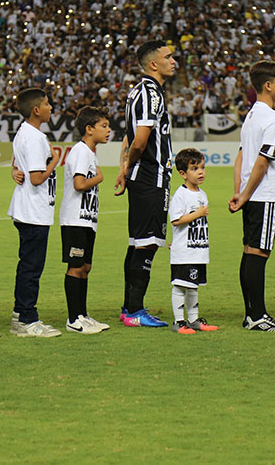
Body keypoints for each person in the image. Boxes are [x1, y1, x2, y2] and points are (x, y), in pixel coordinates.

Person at [113, 40, 176, 328]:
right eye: (168, 57)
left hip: (143, 175)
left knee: (137, 243)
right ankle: (135, 312)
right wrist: (129, 165)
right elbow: (139, 140)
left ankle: (130, 308)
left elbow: (128, 136)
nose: (173, 61)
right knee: (148, 243)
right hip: (152, 176)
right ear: (154, 64)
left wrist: (125, 167)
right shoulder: (151, 93)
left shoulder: (138, 91)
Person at [228, 60, 275, 332]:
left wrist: (240, 192)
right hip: (265, 193)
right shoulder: (274, 118)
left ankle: (251, 314)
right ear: (268, 85)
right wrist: (245, 194)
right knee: (258, 253)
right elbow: (263, 162)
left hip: (252, 194)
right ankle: (257, 316)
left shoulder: (252, 115)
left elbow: (241, 156)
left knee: (250, 251)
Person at [7, 87, 61, 338]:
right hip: (33, 210)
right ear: (36, 110)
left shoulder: (27, 133)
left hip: (32, 209)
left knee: (29, 265)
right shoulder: (34, 137)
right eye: (48, 104)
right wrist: (53, 161)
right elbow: (37, 177)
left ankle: (23, 315)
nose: (52, 108)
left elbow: (19, 167)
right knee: (31, 267)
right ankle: (26, 319)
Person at [59, 106, 111, 334]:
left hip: (86, 219)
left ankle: (82, 315)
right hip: (75, 220)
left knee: (85, 267)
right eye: (104, 126)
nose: (109, 130)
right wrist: (99, 177)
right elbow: (80, 184)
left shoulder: (89, 152)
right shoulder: (80, 151)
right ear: (89, 129)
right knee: (76, 266)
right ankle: (74, 318)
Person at [169, 148, 218, 334]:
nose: (201, 172)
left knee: (193, 287)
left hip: (198, 250)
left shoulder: (201, 194)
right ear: (182, 173)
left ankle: (194, 319)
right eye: (195, 168)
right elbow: (176, 219)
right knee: (181, 285)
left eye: (203, 167)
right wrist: (197, 214)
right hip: (184, 251)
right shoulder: (180, 195)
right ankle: (179, 321)